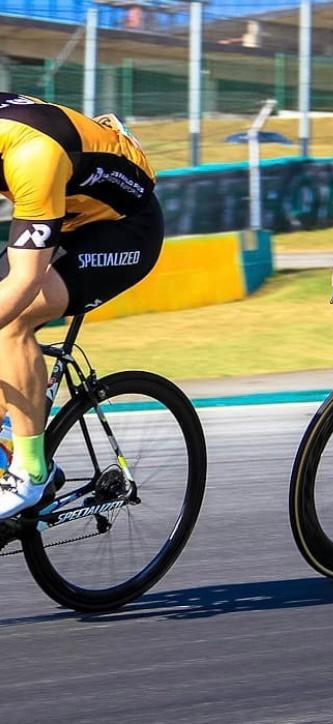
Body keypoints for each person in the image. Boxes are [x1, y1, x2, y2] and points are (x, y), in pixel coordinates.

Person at [0, 93, 163, 518]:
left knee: (11, 321)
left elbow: (24, 279)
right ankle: (8, 435)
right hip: (65, 210)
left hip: (123, 231)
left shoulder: (32, 154)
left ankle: (30, 473)